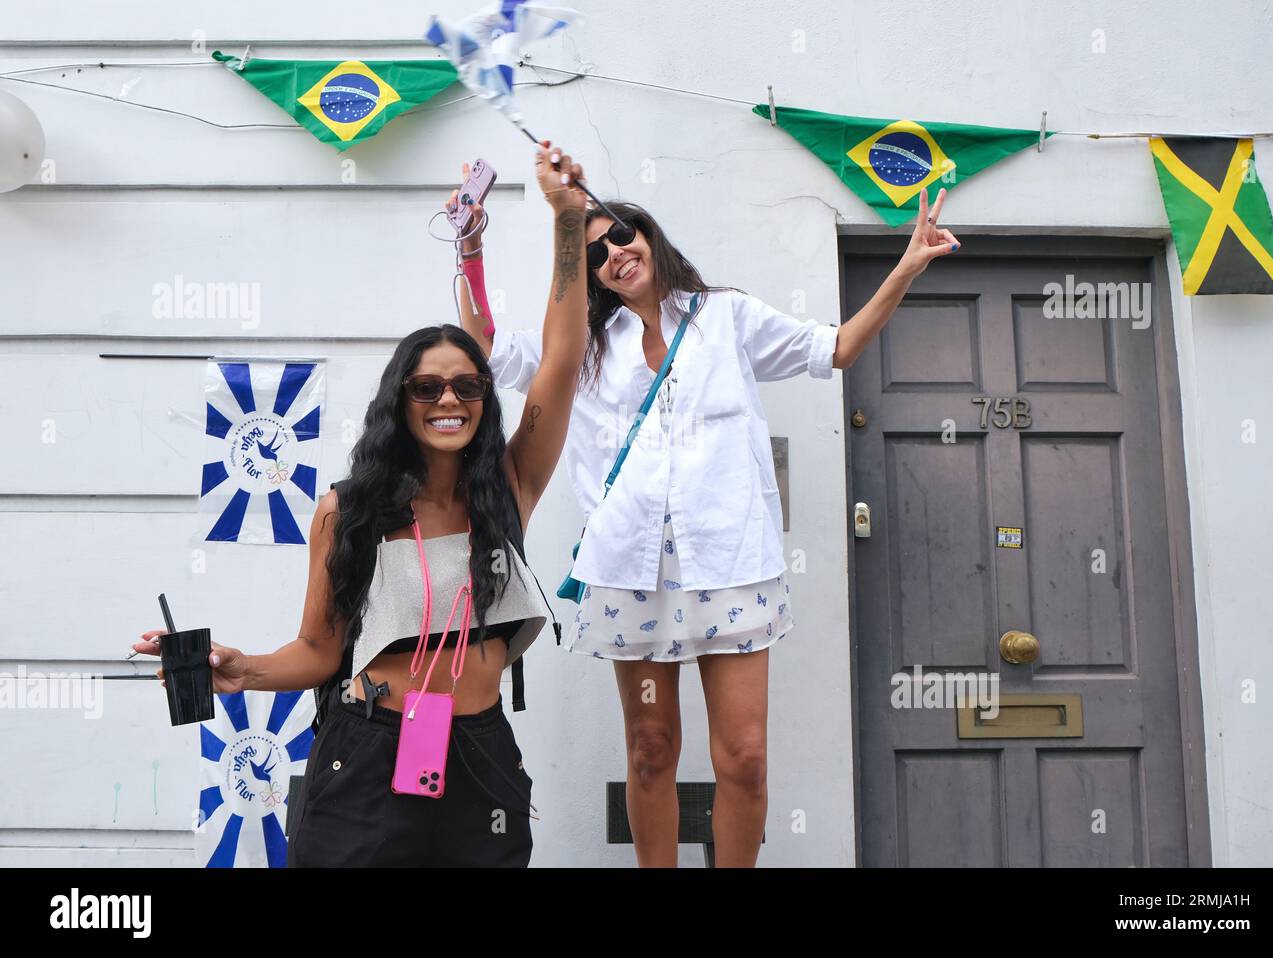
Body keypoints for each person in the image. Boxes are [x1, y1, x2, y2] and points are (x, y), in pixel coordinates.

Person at [463, 186, 959, 867]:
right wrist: (470, 248)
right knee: (650, 751)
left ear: (650, 235)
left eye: (624, 234)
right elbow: (482, 349)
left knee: (746, 757)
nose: (615, 252)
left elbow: (836, 347)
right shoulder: (578, 344)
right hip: (629, 573)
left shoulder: (724, 317)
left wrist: (906, 267)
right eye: (596, 248)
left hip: (730, 567)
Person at [131, 141, 591, 866]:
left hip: (478, 754)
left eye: (468, 386)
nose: (449, 400)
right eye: (428, 386)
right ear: (398, 402)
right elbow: (318, 649)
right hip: (370, 753)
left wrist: (567, 222)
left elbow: (563, 361)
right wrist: (241, 668)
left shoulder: (506, 490)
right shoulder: (348, 511)